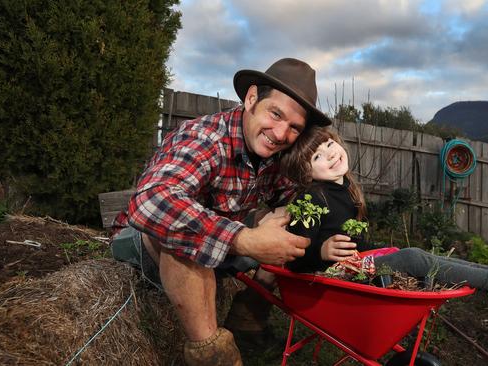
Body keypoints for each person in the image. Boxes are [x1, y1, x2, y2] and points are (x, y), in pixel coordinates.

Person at [110, 58, 332, 366]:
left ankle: (247, 322)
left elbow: (294, 198)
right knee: (184, 237)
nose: (281, 134)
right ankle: (211, 355)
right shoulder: (205, 138)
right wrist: (243, 239)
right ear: (252, 98)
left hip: (221, 248)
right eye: (275, 114)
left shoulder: (272, 154)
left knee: (287, 224)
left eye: (294, 128)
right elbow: (152, 200)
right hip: (142, 243)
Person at [281, 127, 488, 303]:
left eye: (329, 144)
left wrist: (386, 253)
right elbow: (291, 260)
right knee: (413, 258)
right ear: (306, 173)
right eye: (316, 157)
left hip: (359, 271)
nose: (329, 154)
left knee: (413, 255)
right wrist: (322, 251)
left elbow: (360, 247)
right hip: (335, 282)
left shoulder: (347, 192)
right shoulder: (312, 199)